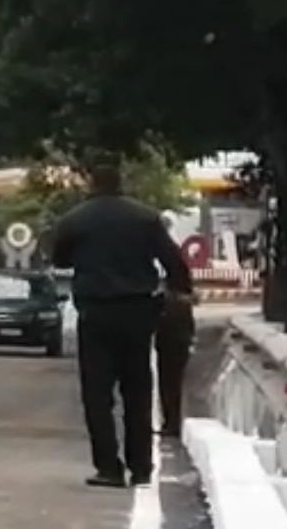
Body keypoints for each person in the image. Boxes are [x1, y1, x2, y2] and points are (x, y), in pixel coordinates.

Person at [53, 160, 192, 488]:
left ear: (92, 184)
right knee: (138, 390)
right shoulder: (145, 218)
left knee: (97, 395)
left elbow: (60, 258)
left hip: (96, 312)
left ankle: (108, 467)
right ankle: (141, 466)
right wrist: (181, 291)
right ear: (120, 183)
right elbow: (173, 261)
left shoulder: (76, 220)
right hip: (138, 311)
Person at [156, 286, 195, 438]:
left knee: (167, 386)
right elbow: (190, 328)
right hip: (180, 346)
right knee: (174, 386)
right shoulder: (183, 303)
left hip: (167, 347)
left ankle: (170, 422)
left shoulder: (162, 301)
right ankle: (173, 422)